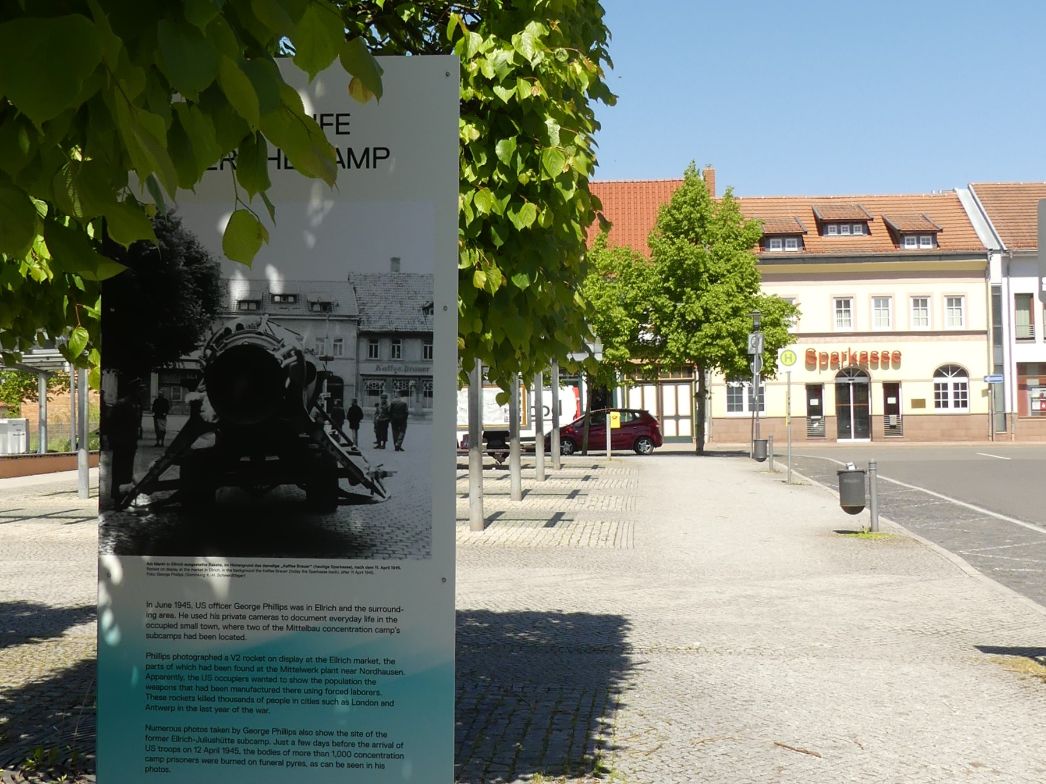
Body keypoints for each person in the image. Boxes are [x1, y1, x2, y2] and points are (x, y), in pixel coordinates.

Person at [108, 394, 140, 503]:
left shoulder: (129, 404)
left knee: (124, 470)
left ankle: (122, 494)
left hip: (126, 443)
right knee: (122, 470)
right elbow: (115, 424)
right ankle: (120, 495)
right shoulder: (124, 405)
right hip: (123, 443)